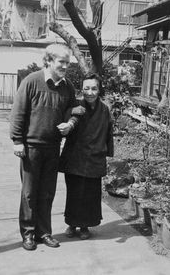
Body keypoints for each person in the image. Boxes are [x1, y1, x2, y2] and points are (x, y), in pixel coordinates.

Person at [10, 43, 84, 250]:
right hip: (31, 148)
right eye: (61, 62)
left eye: (68, 63)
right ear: (49, 61)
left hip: (53, 148)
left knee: (47, 192)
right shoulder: (31, 82)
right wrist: (17, 140)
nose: (65, 66)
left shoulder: (67, 86)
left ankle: (44, 233)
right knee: (29, 193)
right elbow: (18, 112)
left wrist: (70, 123)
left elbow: (74, 109)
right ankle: (28, 234)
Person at [59, 73, 114, 240]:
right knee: (74, 192)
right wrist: (70, 113)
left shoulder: (104, 109)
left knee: (90, 194)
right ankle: (71, 223)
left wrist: (109, 153)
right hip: (75, 156)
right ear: (81, 89)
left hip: (95, 156)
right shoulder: (76, 105)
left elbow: (108, 132)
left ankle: (85, 226)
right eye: (86, 88)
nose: (90, 92)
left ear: (99, 90)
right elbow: (66, 119)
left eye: (94, 88)